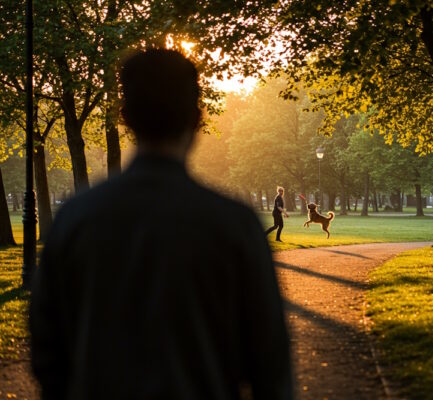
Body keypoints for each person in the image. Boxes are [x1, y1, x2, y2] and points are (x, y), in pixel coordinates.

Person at [29, 49, 292, 400]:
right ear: (196, 118)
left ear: (125, 118)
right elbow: (269, 360)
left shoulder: (76, 218)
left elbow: (48, 348)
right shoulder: (234, 223)